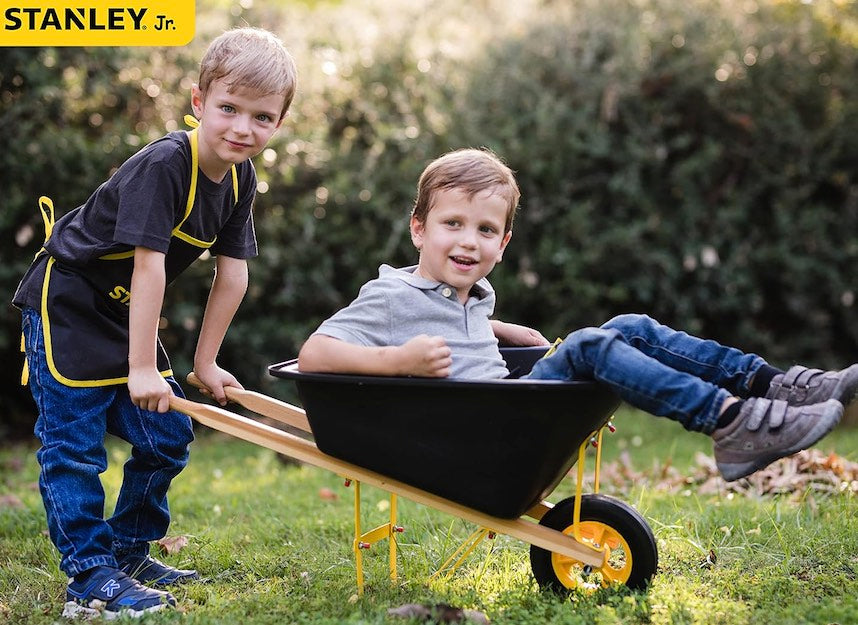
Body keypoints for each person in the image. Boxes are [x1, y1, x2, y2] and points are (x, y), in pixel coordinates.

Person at [298, 147, 858, 486]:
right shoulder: (390, 295)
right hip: (484, 438)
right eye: (452, 224)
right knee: (591, 345)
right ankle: (731, 422)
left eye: (486, 230)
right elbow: (314, 354)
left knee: (630, 327)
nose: (469, 242)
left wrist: (498, 327)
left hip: (501, 418)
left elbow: (445, 321)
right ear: (418, 228)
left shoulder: (466, 293)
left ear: (505, 242)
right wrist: (397, 361)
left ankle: (777, 386)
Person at [12, 27, 297, 620]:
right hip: (67, 302)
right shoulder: (167, 164)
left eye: (262, 117)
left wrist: (204, 364)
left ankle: (129, 550)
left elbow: (234, 275)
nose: (243, 128)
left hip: (120, 310)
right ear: (198, 103)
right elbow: (149, 268)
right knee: (73, 448)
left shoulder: (240, 178)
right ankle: (90, 578)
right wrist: (141, 367)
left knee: (165, 436)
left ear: (279, 122)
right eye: (229, 109)